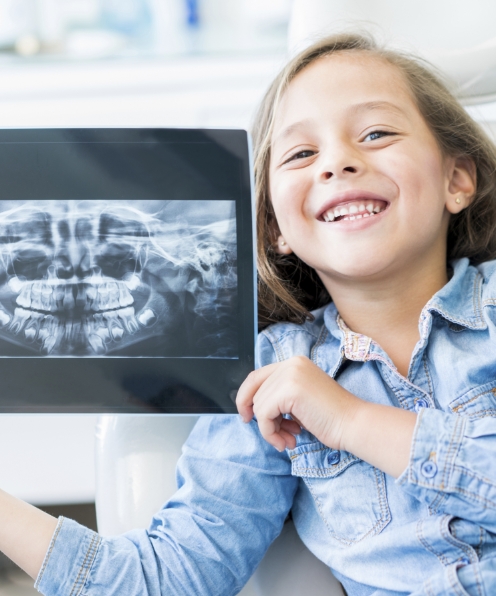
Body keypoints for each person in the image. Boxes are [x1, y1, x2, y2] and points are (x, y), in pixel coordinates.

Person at [1, 31, 496, 595]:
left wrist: (351, 421)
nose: (336, 162)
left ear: (457, 178)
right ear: (274, 228)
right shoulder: (267, 376)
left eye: (376, 133)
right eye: (301, 154)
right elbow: (165, 581)